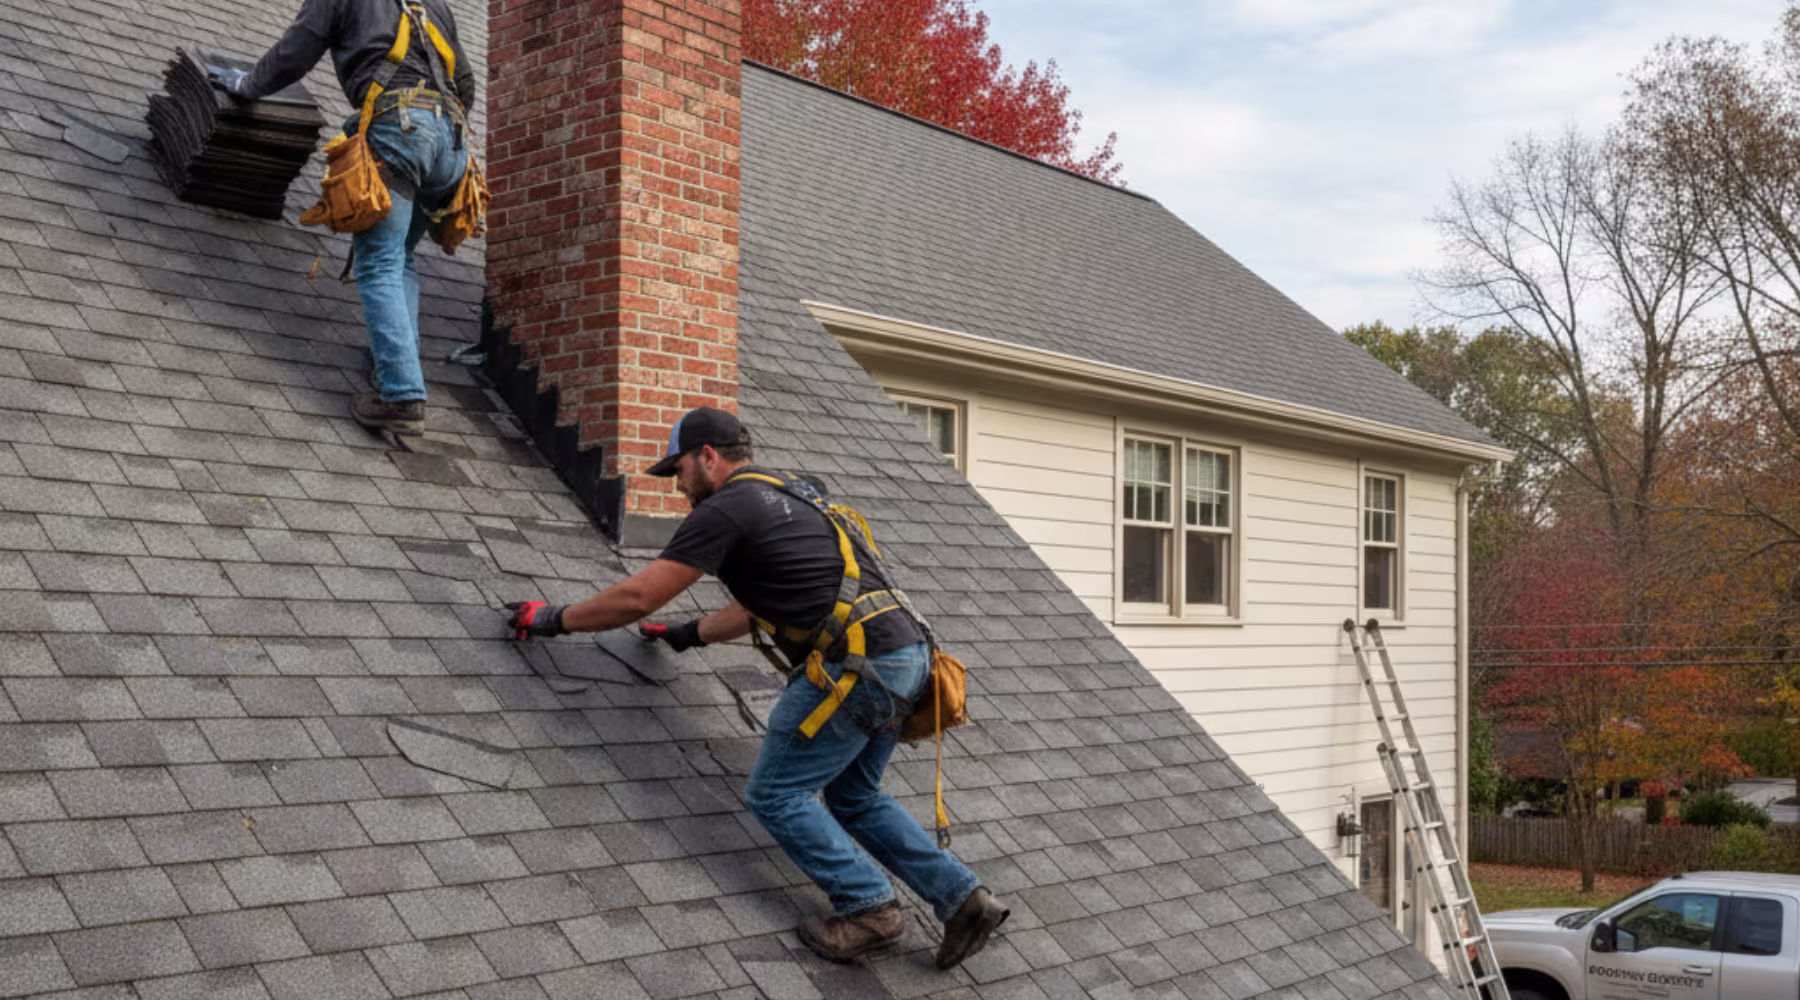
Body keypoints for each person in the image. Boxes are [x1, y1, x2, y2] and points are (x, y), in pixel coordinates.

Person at [503, 407, 1010, 968]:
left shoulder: (724, 510)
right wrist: (688, 635)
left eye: (678, 471)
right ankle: (965, 900)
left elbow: (636, 597)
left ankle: (869, 907)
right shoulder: (795, 492)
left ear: (708, 457)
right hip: (909, 656)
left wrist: (551, 618)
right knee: (853, 796)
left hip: (856, 667)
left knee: (777, 794)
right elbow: (756, 607)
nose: (677, 486)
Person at [211, 0, 476, 437]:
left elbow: (293, 54)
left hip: (402, 132)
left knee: (379, 265)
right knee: (401, 260)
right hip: (451, 145)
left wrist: (246, 84)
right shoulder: (433, 4)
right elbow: (464, 84)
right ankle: (389, 363)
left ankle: (401, 394)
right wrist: (438, 130)